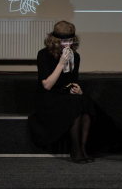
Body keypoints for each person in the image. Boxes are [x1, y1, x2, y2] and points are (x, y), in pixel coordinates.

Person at [28, 21, 96, 163]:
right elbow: (47, 85)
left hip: (64, 94)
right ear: (55, 40)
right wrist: (61, 63)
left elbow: (73, 80)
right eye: (64, 41)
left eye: (70, 40)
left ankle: (84, 148)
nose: (68, 44)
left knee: (84, 100)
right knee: (74, 104)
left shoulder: (75, 56)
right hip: (48, 97)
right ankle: (75, 150)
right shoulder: (44, 55)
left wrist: (78, 89)